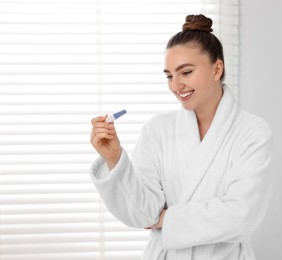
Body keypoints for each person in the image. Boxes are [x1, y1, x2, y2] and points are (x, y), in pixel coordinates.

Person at [90, 14, 272, 260]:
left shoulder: (251, 131)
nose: (176, 86)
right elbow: (142, 213)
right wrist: (114, 160)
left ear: (217, 69)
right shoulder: (158, 130)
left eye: (185, 72)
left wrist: (165, 218)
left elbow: (241, 216)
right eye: (169, 76)